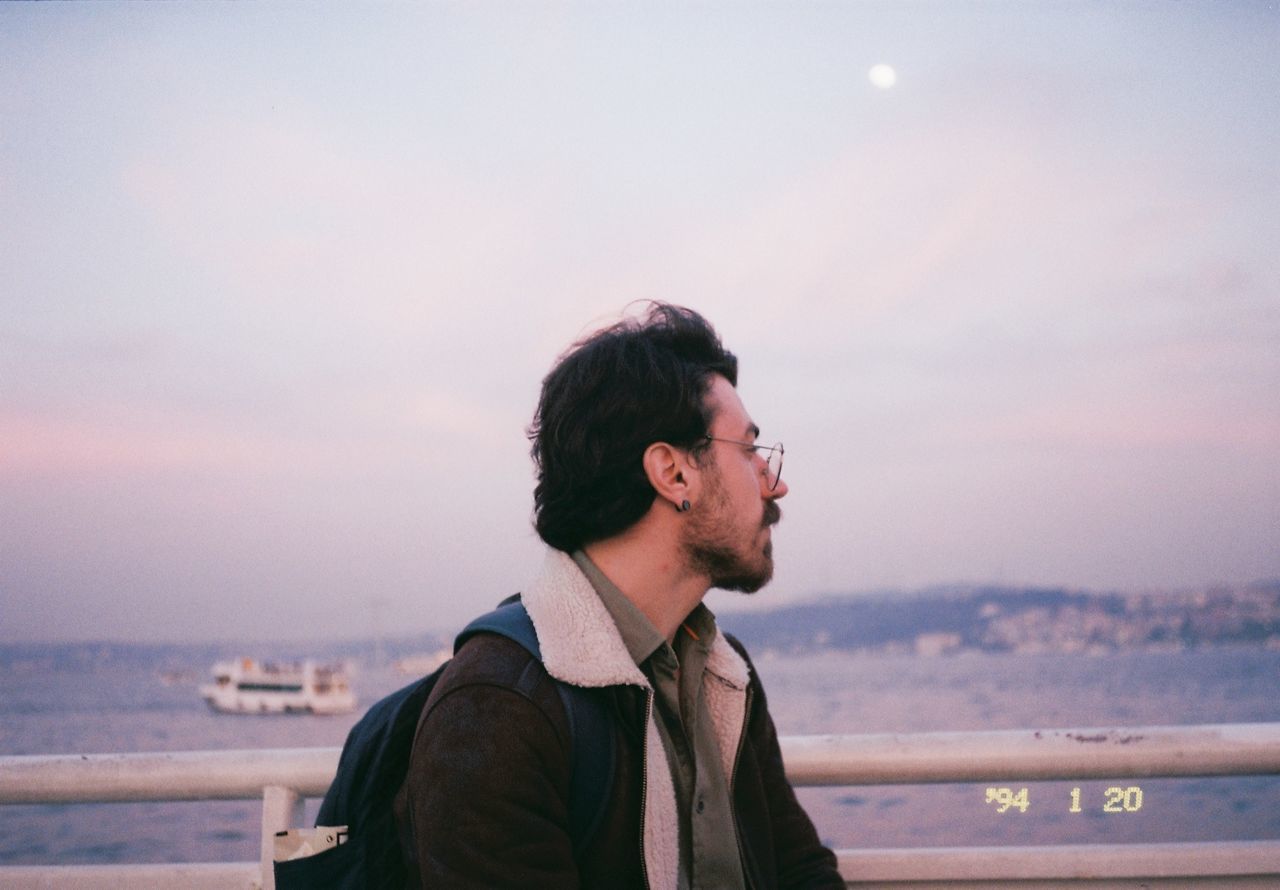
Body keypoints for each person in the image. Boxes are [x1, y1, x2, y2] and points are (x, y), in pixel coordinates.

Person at [395, 303, 844, 889]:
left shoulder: (723, 674)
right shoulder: (498, 708)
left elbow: (799, 870)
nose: (775, 482)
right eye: (750, 451)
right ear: (674, 474)